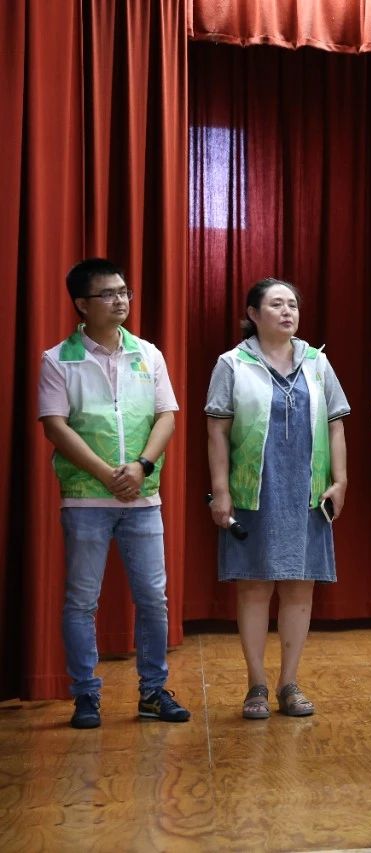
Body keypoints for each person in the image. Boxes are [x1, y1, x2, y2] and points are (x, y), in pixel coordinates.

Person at [38, 257, 191, 728]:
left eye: (124, 291)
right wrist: (108, 474)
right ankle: (86, 695)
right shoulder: (57, 359)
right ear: (82, 304)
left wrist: (142, 466)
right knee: (82, 601)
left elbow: (166, 415)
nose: (120, 300)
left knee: (153, 599)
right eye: (108, 294)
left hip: (143, 498)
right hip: (87, 498)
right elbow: (55, 426)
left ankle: (153, 693)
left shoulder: (148, 353)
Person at [206, 277, 350, 719]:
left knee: (299, 587)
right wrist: (221, 491)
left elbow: (336, 424)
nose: (287, 312)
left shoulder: (317, 362)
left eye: (293, 305)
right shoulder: (232, 363)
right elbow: (217, 431)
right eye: (276, 304)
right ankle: (256, 684)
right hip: (255, 490)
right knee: (254, 587)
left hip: (306, 491)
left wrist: (340, 480)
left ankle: (289, 682)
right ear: (253, 314)